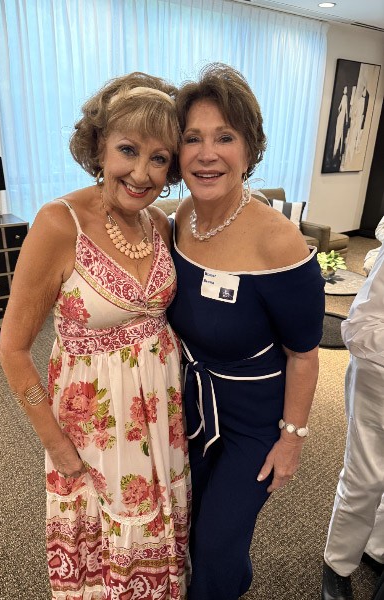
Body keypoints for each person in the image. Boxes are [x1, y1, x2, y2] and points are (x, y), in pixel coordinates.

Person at [0, 72, 191, 599]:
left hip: (162, 414)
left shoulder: (159, 223)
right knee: (107, 546)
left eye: (159, 158)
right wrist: (55, 444)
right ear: (99, 146)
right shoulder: (59, 223)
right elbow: (12, 350)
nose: (142, 173)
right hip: (95, 427)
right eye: (128, 149)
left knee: (161, 533)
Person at [166, 63, 325, 599]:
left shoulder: (278, 242)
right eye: (193, 138)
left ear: (250, 149)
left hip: (254, 424)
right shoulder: (181, 219)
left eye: (225, 137)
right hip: (191, 406)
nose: (206, 154)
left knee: (215, 543)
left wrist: (292, 440)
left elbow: (304, 354)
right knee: (191, 528)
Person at [322, 243, 384, 600]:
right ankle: (338, 564)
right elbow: (358, 329)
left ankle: (376, 547)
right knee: (365, 478)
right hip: (378, 382)